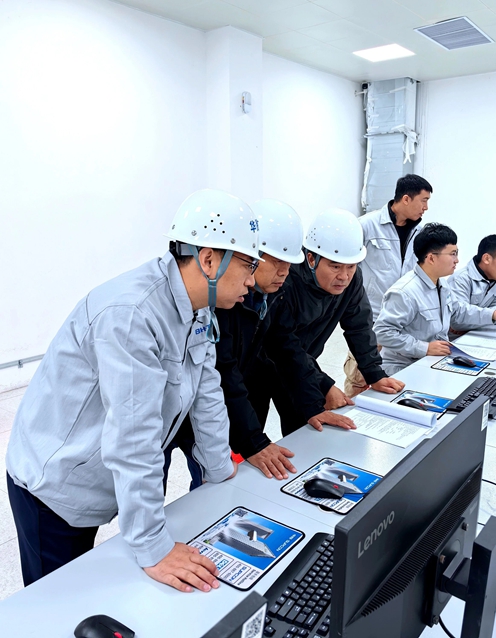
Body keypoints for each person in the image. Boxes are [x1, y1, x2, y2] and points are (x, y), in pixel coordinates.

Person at [6, 189, 261, 593]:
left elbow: (207, 394)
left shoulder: (199, 308)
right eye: (249, 264)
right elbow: (134, 435)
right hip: (54, 486)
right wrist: (154, 548)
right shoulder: (131, 315)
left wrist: (221, 472)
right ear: (210, 260)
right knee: (57, 604)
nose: (252, 279)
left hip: (98, 474)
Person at [250, 207, 405, 437]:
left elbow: (359, 325)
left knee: (306, 430)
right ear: (311, 259)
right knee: (247, 433)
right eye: (335, 266)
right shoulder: (285, 281)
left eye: (351, 266)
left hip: (302, 366)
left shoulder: (350, 280)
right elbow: (283, 345)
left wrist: (374, 373)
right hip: (261, 366)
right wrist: (323, 384)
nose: (344, 276)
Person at [214, 199, 306, 481]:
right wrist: (253, 441)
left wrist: (314, 406)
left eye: (289, 263)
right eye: (277, 261)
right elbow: (224, 371)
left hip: (237, 398)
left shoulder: (272, 295)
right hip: (208, 409)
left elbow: (288, 348)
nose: (285, 272)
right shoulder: (224, 302)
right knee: (211, 478)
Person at [374, 223, 496, 375]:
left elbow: (459, 311)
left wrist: (493, 314)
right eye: (452, 254)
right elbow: (382, 332)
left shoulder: (441, 284)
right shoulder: (405, 291)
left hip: (433, 361)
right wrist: (424, 347)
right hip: (404, 367)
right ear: (431, 258)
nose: (457, 260)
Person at [343, 174, 432, 396]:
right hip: (371, 316)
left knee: (389, 378)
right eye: (423, 200)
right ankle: (350, 409)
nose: (426, 207)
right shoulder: (366, 225)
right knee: (359, 375)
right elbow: (348, 266)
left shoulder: (420, 233)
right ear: (406, 199)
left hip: (403, 317)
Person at [448, 235, 496, 331]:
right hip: (458, 339)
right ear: (487, 259)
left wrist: (470, 325)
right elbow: (458, 322)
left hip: (477, 335)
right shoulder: (459, 279)